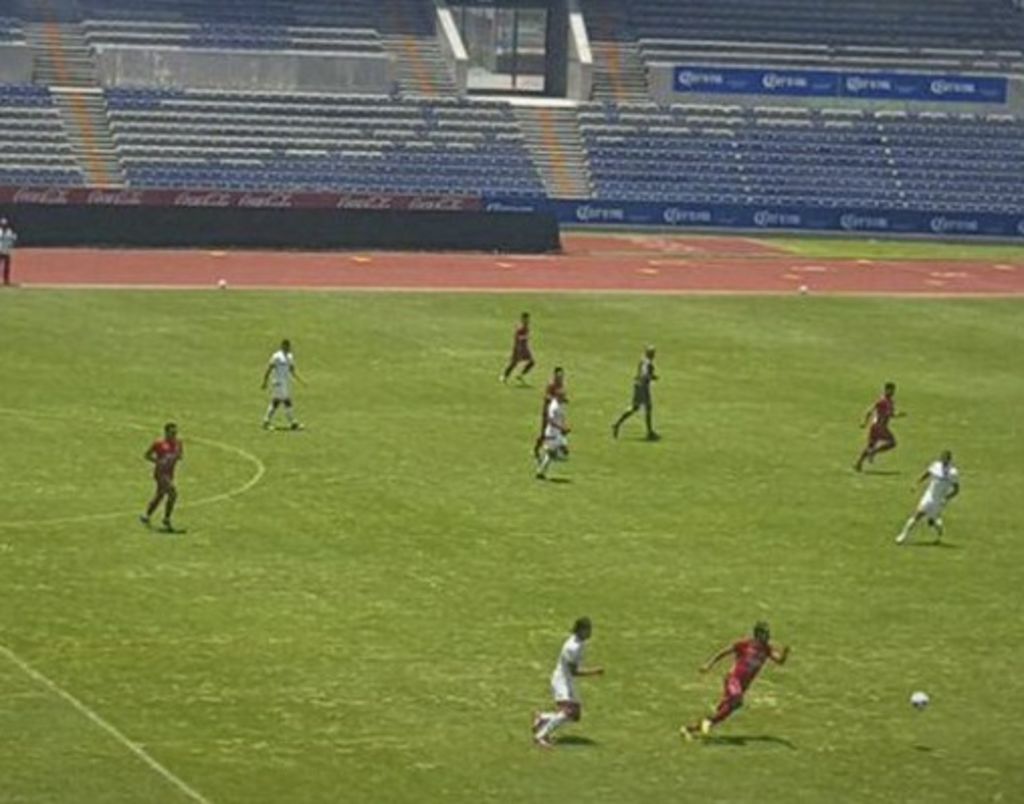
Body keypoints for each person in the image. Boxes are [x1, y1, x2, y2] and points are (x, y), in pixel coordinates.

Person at [682, 621, 789, 739]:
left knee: (726, 710)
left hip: (743, 686)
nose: (768, 636)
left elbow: (779, 661)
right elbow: (724, 652)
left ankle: (690, 728)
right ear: (758, 634)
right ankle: (708, 720)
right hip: (733, 679)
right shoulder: (745, 644)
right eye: (765, 633)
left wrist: (785, 653)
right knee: (737, 699)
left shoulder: (767, 649)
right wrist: (709, 664)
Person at [532, 617, 604, 748]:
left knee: (575, 715)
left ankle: (542, 717)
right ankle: (541, 736)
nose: (590, 633)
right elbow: (574, 671)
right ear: (581, 630)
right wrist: (594, 672)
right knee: (567, 712)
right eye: (588, 630)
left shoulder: (580, 642)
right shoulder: (572, 648)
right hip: (561, 681)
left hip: (568, 680)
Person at [896, 450, 960, 544]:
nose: (943, 462)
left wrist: (946, 498)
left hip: (939, 500)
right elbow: (927, 474)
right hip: (929, 496)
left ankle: (938, 528)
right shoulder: (936, 466)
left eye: (945, 460)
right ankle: (903, 535)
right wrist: (917, 483)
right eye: (942, 459)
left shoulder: (953, 473)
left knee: (931, 522)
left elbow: (956, 490)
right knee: (918, 514)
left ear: (949, 460)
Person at [140, 422, 183, 532]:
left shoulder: (178, 443)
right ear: (166, 432)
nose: (174, 435)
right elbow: (147, 455)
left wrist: (176, 457)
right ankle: (166, 519)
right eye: (172, 433)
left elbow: (180, 456)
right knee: (173, 493)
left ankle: (146, 515)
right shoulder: (159, 443)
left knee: (160, 495)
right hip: (160, 473)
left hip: (170, 473)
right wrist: (158, 461)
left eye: (175, 433)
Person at [854, 381, 904, 471]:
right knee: (892, 443)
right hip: (879, 426)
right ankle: (873, 452)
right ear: (886, 390)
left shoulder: (891, 402)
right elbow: (870, 410)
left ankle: (858, 464)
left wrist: (898, 415)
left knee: (870, 445)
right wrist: (864, 422)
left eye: (893, 390)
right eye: (891, 390)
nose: (893, 392)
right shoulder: (882, 400)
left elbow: (890, 414)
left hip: (877, 426)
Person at [612, 345, 659, 440]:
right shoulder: (648, 363)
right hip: (643, 387)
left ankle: (617, 424)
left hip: (638, 385)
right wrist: (652, 377)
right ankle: (649, 432)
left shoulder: (643, 360)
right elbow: (645, 374)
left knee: (635, 408)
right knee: (647, 408)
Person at [261, 338, 303, 430]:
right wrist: (265, 381)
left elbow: (291, 369)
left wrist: (299, 379)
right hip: (278, 382)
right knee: (286, 401)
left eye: (289, 346)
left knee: (277, 402)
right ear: (283, 346)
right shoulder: (277, 356)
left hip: (285, 383)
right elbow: (269, 368)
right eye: (287, 346)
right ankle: (293, 422)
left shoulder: (290, 357)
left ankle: (266, 421)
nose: (289, 348)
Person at [533, 366, 566, 458]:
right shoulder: (551, 385)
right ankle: (537, 448)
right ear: (555, 375)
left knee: (557, 432)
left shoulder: (561, 384)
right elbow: (546, 396)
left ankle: (554, 450)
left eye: (562, 375)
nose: (561, 377)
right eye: (559, 375)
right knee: (544, 433)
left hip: (557, 412)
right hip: (548, 412)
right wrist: (555, 398)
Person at [536, 392, 569, 480]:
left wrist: (564, 427)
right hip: (552, 433)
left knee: (562, 450)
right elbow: (550, 420)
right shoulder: (554, 407)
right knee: (553, 454)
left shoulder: (559, 404)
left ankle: (540, 471)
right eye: (562, 397)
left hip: (557, 433)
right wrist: (561, 427)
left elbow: (562, 415)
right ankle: (540, 471)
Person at [500, 312, 535, 384]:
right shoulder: (520, 328)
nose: (527, 320)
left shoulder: (527, 327)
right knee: (513, 363)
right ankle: (504, 376)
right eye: (526, 319)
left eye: (528, 319)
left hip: (525, 348)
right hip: (518, 348)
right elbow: (517, 338)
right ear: (522, 319)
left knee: (532, 362)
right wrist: (524, 338)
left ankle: (520, 375)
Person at [0, 217, 17, 287]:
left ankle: (6, 281)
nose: (4, 226)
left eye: (5, 225)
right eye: (2, 224)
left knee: (7, 267)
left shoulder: (9, 231)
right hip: (0, 251)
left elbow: (13, 239)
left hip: (7, 251)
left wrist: (12, 241)